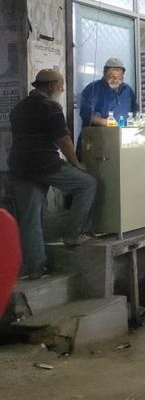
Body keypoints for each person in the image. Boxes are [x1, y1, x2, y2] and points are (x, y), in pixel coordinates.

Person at [9, 70, 97, 279]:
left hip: (19, 167)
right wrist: (77, 164)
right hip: (45, 164)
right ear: (50, 87)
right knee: (87, 184)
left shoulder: (18, 108)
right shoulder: (50, 108)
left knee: (30, 218)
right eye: (61, 85)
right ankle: (74, 234)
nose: (63, 89)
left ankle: (35, 268)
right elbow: (63, 140)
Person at [79, 57, 138, 129]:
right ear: (104, 74)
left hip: (123, 134)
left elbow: (135, 111)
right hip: (99, 135)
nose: (115, 80)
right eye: (112, 76)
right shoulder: (93, 88)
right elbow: (86, 114)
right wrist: (108, 123)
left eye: (119, 77)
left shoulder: (127, 90)